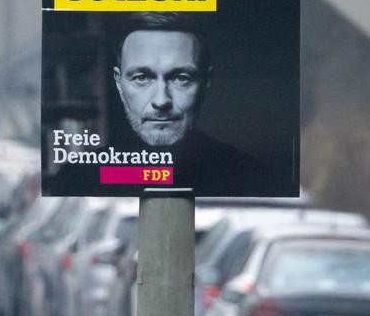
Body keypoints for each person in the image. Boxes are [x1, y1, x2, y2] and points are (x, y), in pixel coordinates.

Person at [107, 11, 283, 194]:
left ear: (206, 82)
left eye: (181, 78)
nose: (161, 101)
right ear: (119, 83)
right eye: (141, 77)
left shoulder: (254, 179)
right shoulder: (86, 175)